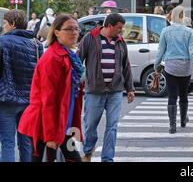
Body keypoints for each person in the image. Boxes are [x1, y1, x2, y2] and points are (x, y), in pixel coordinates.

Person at [18, 14, 84, 162]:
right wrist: (50, 136)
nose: (74, 32)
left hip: (63, 121)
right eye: (69, 29)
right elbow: (48, 100)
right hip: (45, 123)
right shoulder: (53, 58)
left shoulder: (69, 55)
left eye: (76, 29)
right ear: (57, 32)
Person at [77, 13, 135, 162]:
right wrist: (77, 82)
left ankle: (107, 159)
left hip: (115, 91)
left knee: (112, 126)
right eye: (119, 28)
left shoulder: (120, 42)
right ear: (109, 26)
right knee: (90, 126)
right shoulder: (90, 39)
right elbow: (77, 62)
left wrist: (130, 89)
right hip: (94, 91)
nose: (121, 31)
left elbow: (126, 66)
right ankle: (88, 151)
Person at [0, 10, 43, 162]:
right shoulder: (37, 45)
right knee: (26, 142)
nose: (3, 26)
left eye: (5, 23)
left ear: (12, 24)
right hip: (29, 101)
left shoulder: (3, 42)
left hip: (7, 99)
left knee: (7, 143)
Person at [154, 6, 193, 134]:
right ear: (181, 16)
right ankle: (183, 121)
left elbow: (160, 51)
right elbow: (192, 52)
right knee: (184, 95)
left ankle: (172, 125)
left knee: (172, 96)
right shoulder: (189, 32)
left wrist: (156, 65)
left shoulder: (165, 31)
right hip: (186, 68)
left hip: (170, 67)